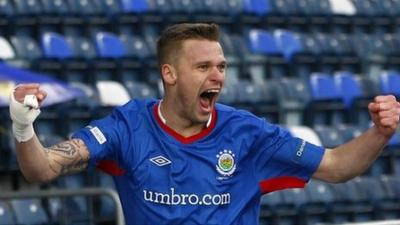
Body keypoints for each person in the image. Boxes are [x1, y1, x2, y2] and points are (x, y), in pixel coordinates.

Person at [8, 23, 400, 225]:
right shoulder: (128, 126)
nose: (218, 76)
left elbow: (336, 166)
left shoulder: (248, 133)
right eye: (203, 67)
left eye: (222, 66)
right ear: (170, 74)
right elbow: (42, 168)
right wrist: (23, 127)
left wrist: (379, 133)